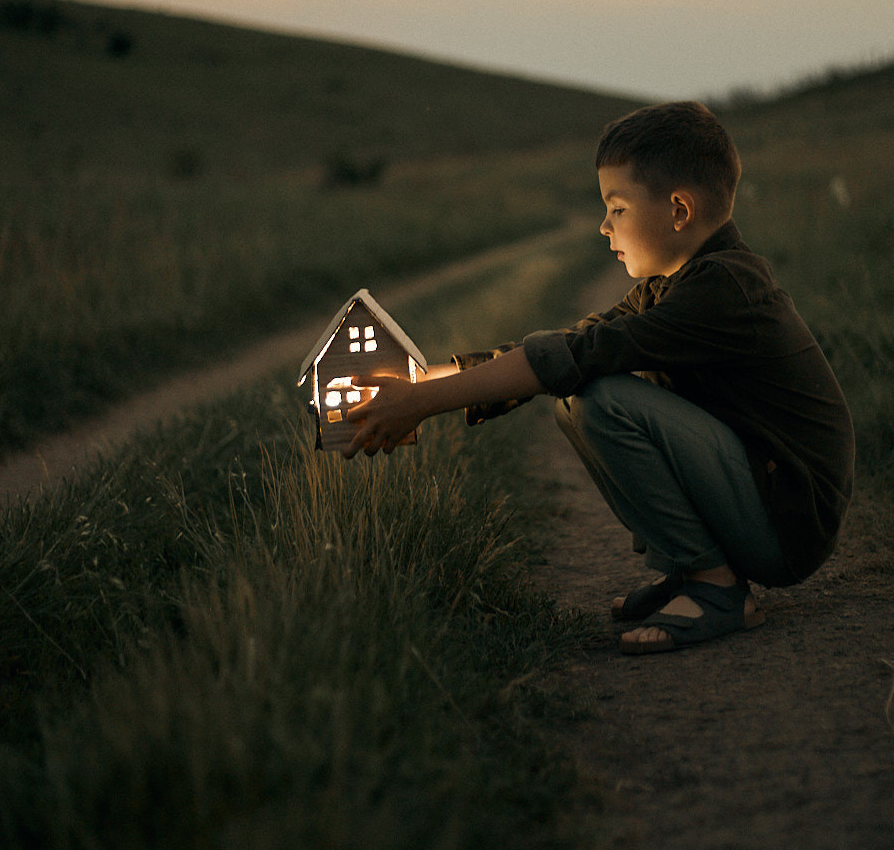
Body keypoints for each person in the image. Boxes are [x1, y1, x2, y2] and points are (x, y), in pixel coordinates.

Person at [343, 101, 854, 656]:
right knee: (576, 389)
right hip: (759, 496)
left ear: (679, 211)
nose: (604, 225)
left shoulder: (724, 290)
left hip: (789, 522)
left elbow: (575, 358)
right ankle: (693, 570)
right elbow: (567, 346)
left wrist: (421, 403)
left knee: (600, 398)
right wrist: (415, 386)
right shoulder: (676, 283)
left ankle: (716, 587)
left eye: (617, 207)